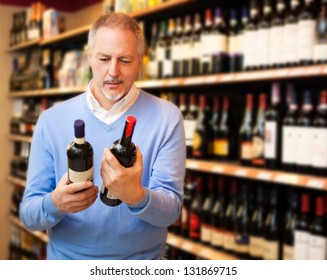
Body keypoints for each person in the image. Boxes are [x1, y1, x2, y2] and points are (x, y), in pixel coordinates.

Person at [19, 12, 186, 260]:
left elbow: (171, 212)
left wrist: (135, 196)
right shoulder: (50, 120)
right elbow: (29, 216)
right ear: (89, 58)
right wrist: (55, 203)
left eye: (125, 60)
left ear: (140, 61)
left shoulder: (167, 118)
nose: (113, 71)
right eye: (104, 58)